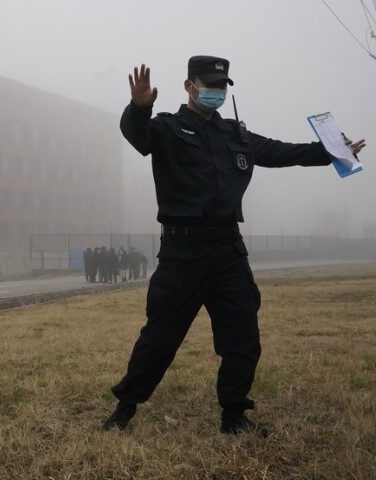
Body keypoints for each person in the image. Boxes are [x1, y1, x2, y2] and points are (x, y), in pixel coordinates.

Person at [102, 57, 366, 435]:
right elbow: (137, 136)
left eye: (222, 85)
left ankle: (234, 415)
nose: (217, 91)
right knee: (160, 338)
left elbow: (282, 152)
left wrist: (332, 152)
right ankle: (125, 408)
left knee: (242, 336)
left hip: (228, 251)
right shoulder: (167, 128)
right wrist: (139, 109)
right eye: (209, 84)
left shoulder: (235, 135)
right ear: (189, 86)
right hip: (183, 253)